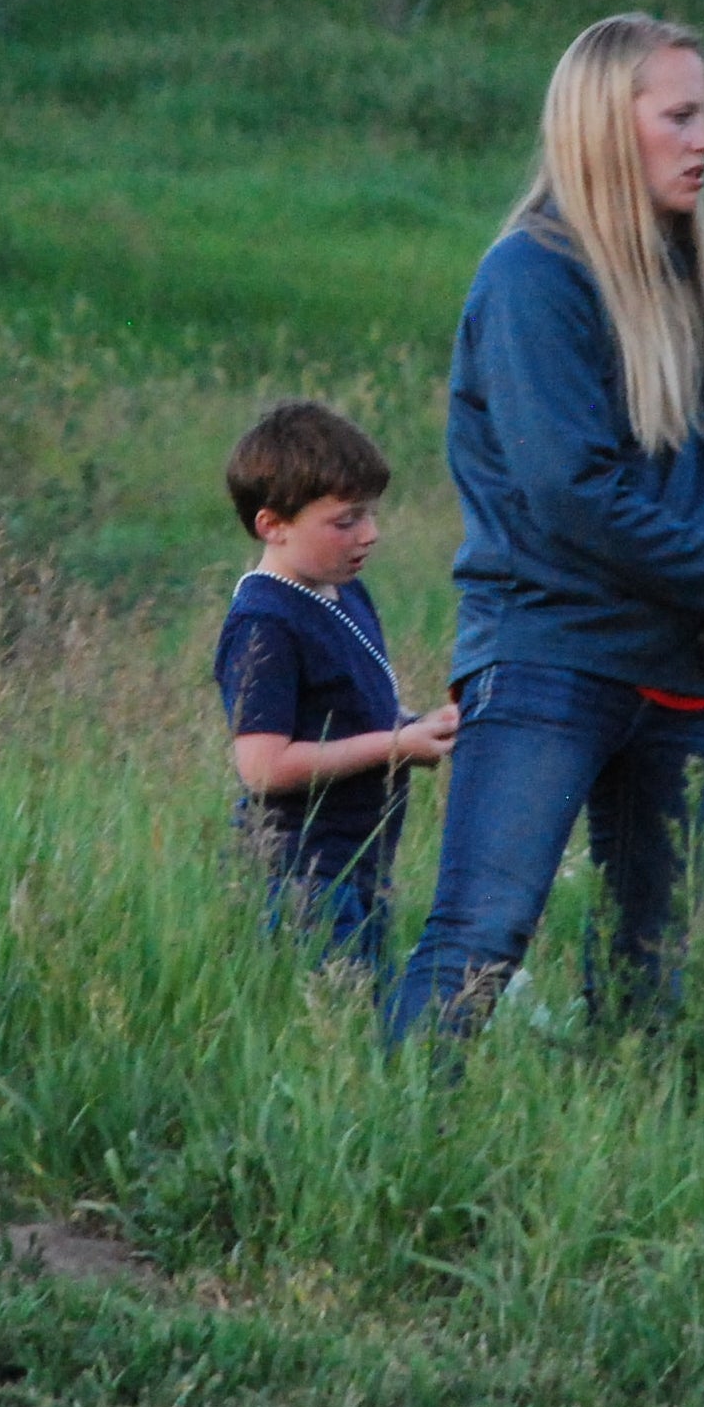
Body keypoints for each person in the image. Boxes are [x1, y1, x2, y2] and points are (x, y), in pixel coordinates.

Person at [383, 14, 704, 1046]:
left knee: (650, 979)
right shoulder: (532, 279)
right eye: (681, 115)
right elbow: (572, 497)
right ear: (609, 123)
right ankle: (383, 1167)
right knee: (479, 939)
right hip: (549, 660)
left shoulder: (671, 277)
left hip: (683, 682)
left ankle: (623, 1184)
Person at [214, 400, 459, 979]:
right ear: (271, 524)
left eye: (371, 514)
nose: (369, 534)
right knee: (328, 1023)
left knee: (365, 1011)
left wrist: (421, 724)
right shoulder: (265, 623)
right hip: (302, 874)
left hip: (360, 863)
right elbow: (264, 767)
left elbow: (348, 710)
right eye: (345, 521)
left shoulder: (343, 592)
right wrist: (396, 747)